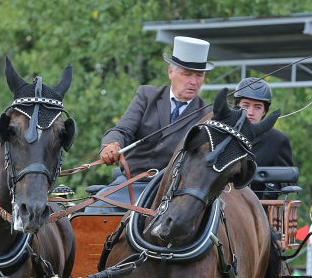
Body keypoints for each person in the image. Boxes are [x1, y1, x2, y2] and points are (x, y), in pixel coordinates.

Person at [100, 36, 213, 175]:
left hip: (174, 190)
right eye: (187, 74)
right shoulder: (146, 95)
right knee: (99, 197)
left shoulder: (208, 115)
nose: (194, 82)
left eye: (199, 76)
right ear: (170, 72)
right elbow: (123, 130)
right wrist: (112, 144)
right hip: (132, 180)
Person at [232, 78, 293, 169]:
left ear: (264, 111)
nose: (250, 112)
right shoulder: (223, 134)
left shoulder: (278, 140)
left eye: (257, 107)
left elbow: (288, 180)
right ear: (237, 106)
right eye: (246, 105)